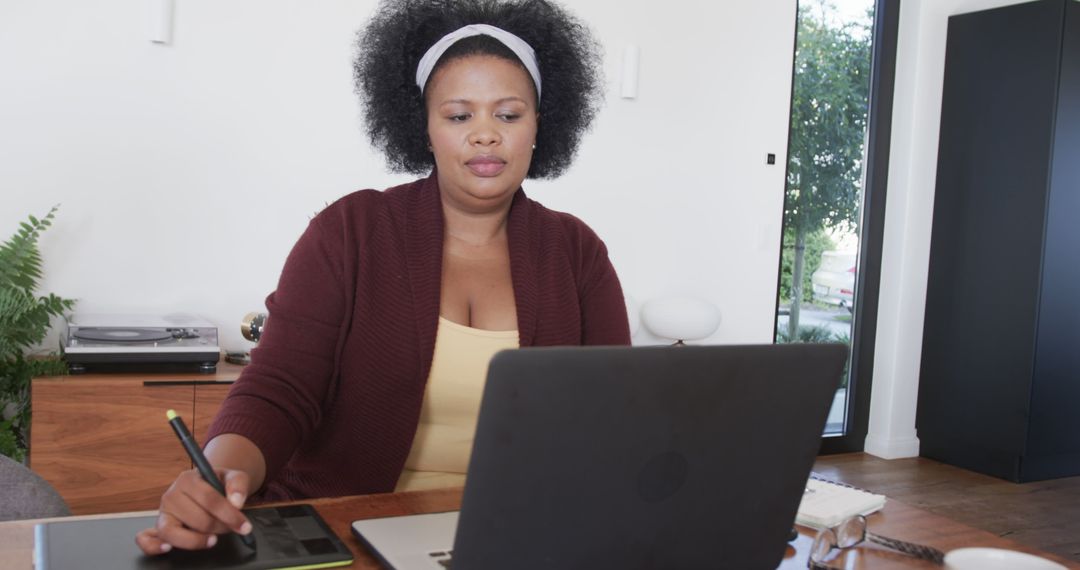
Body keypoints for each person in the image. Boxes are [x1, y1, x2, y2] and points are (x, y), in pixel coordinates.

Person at [136, 0, 629, 555]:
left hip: (522, 537)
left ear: (540, 125)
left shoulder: (578, 253)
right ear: (425, 128)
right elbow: (280, 390)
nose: (485, 135)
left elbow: (614, 417)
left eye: (509, 115)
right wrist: (221, 475)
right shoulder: (350, 231)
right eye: (459, 116)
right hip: (346, 531)